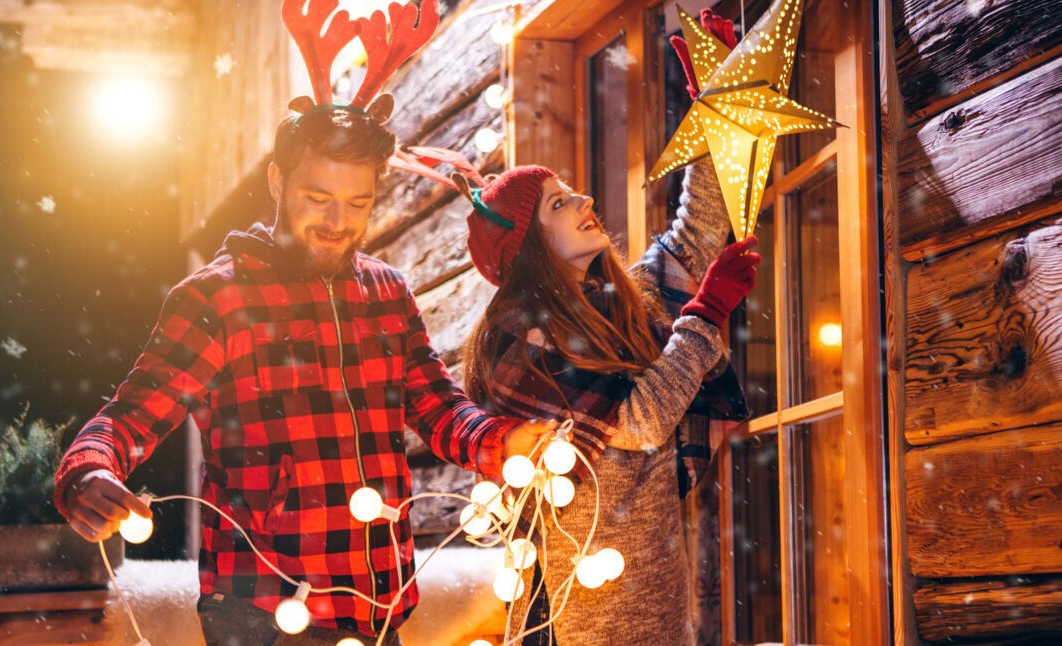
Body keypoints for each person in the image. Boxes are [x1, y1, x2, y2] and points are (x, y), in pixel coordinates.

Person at [52, 75, 554, 646]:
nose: (337, 221)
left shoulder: (387, 293)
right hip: (265, 612)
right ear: (276, 180)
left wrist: (502, 443)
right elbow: (129, 417)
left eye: (357, 203)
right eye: (317, 199)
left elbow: (439, 408)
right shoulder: (217, 298)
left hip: (378, 604)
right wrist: (88, 471)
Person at [460, 155, 758, 645]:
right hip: (576, 622)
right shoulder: (517, 345)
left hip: (657, 608)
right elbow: (643, 421)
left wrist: (711, 122)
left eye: (574, 191)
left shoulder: (620, 309)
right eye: (560, 202)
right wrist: (703, 316)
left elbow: (697, 231)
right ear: (529, 248)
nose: (586, 200)